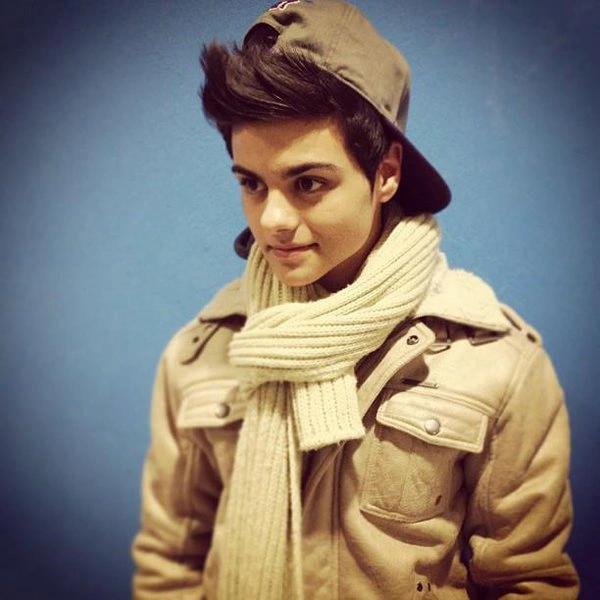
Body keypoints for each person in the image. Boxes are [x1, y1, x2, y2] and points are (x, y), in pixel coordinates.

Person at [131, 1, 579, 598]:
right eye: (251, 183)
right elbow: (170, 567)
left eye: (308, 183)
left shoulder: (498, 364)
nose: (272, 219)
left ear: (386, 173)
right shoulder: (201, 355)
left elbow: (530, 581)